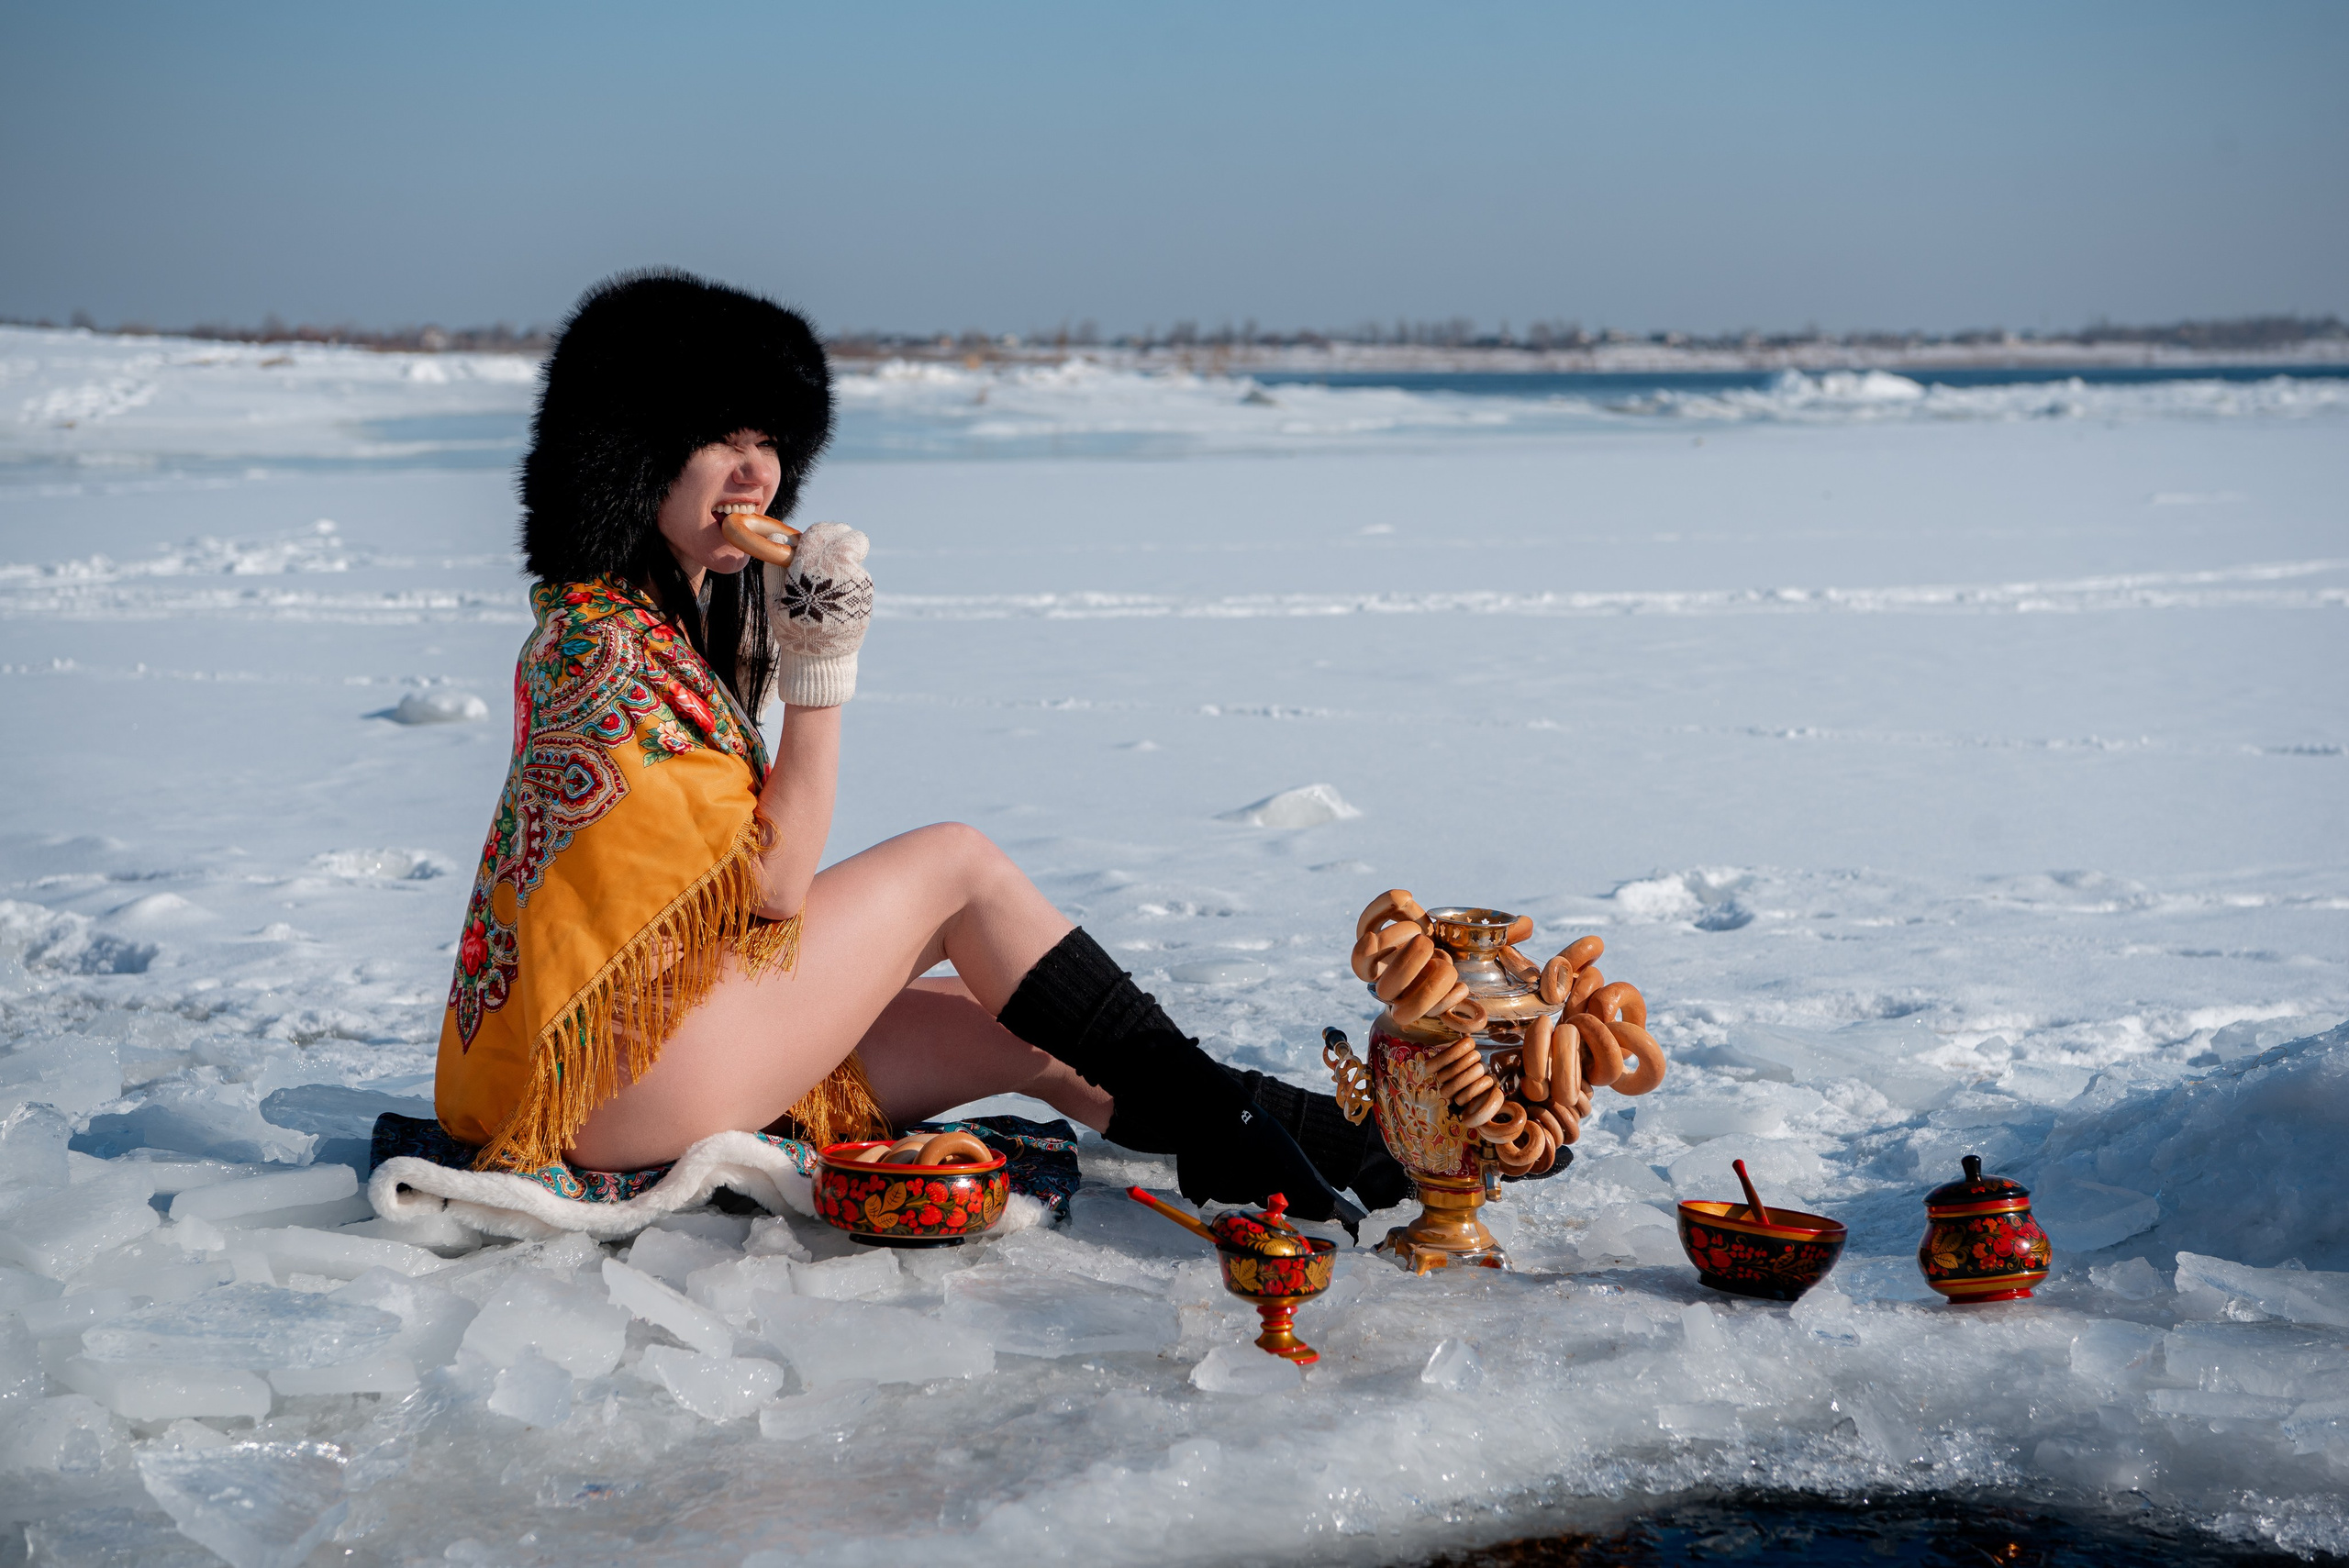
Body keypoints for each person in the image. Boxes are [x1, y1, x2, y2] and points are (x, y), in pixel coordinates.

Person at [431, 271, 1392, 1227]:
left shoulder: (635, 629)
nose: (753, 472)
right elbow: (768, 888)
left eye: (770, 442)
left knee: (1023, 1027)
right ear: (631, 447)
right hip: (618, 1083)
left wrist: (772, 643)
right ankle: (1234, 1134)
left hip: (644, 1055)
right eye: (722, 435)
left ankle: (1351, 1141)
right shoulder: (603, 647)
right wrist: (820, 674)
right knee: (956, 864)